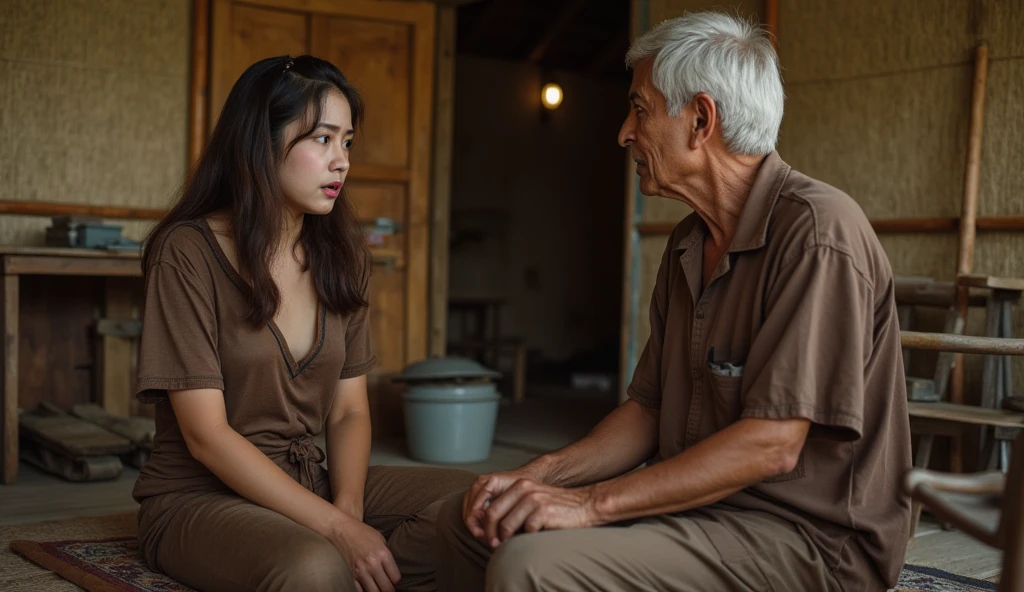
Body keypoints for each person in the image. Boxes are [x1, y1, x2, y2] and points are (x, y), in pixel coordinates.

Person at [435, 12, 911, 592]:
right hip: (704, 513)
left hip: (809, 539)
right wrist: (540, 475)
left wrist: (588, 505)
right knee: (481, 527)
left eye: (639, 108)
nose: (623, 133)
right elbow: (649, 411)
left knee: (527, 565)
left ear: (700, 120)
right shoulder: (688, 242)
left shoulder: (818, 232)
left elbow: (772, 444)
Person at [132, 55, 474, 592]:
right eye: (322, 139)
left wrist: (349, 510)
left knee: (486, 503)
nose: (341, 161)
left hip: (309, 481)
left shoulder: (342, 255)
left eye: (348, 143)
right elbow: (207, 437)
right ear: (259, 143)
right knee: (315, 567)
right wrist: (336, 529)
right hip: (197, 498)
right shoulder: (188, 253)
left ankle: (369, 567)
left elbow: (349, 411)